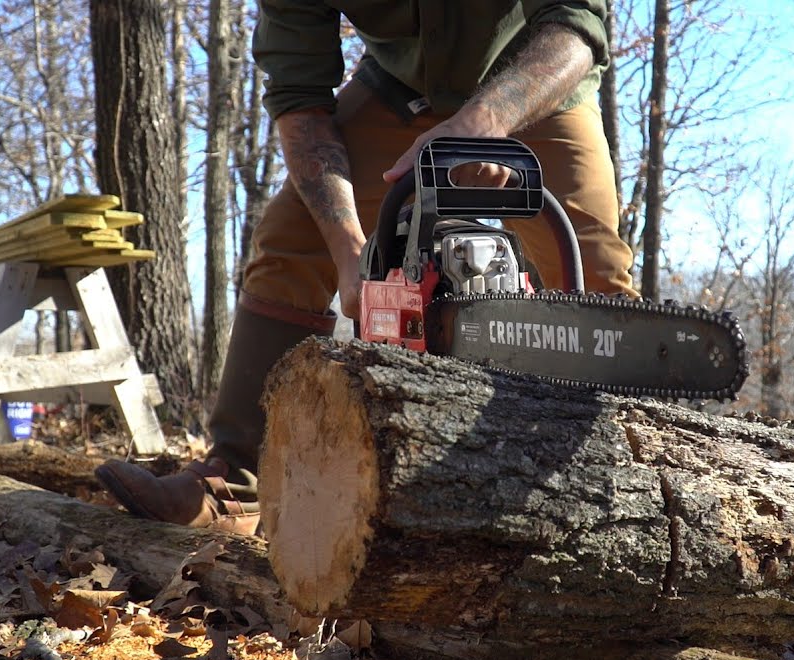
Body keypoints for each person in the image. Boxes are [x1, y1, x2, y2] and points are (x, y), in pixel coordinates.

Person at [95, 0, 637, 535]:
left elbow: (576, 24)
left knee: (593, 262)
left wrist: (488, 118)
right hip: (397, 94)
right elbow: (299, 96)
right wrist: (351, 252)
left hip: (540, 87)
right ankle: (234, 485)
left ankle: (631, 474)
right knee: (291, 239)